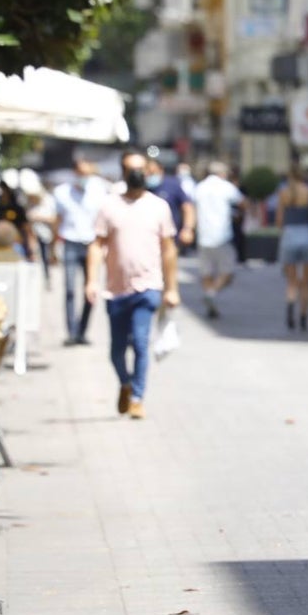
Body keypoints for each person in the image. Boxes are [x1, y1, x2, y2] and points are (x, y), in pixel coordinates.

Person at [84, 149, 180, 420]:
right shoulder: (109, 206)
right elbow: (96, 245)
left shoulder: (158, 206)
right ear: (122, 172)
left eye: (142, 169)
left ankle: (137, 397)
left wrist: (172, 288)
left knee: (140, 343)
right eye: (131, 168)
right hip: (115, 290)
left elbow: (169, 249)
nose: (137, 174)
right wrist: (92, 281)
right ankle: (125, 383)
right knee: (116, 350)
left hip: (148, 286)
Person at [53, 159, 106, 346]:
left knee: (90, 289)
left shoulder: (99, 191)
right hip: (70, 242)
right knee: (69, 289)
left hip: (91, 244)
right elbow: (57, 220)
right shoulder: (62, 192)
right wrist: (53, 245)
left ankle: (83, 330)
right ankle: (72, 331)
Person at [192, 161, 242, 319]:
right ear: (222, 173)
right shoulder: (226, 187)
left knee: (206, 271)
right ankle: (212, 293)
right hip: (222, 235)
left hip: (203, 235)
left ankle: (209, 294)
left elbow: (192, 207)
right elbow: (243, 202)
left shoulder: (199, 187)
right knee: (227, 270)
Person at [275, 166, 308, 331]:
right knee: (305, 283)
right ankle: (304, 317)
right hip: (306, 234)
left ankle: (290, 309)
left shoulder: (284, 193)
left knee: (291, 281)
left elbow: (279, 220)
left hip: (289, 235)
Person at [147, 158, 196, 252]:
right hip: (147, 238)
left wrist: (188, 229)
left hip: (170, 237)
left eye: (152, 172)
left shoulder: (173, 185)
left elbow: (187, 207)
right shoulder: (142, 187)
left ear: (160, 170)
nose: (149, 175)